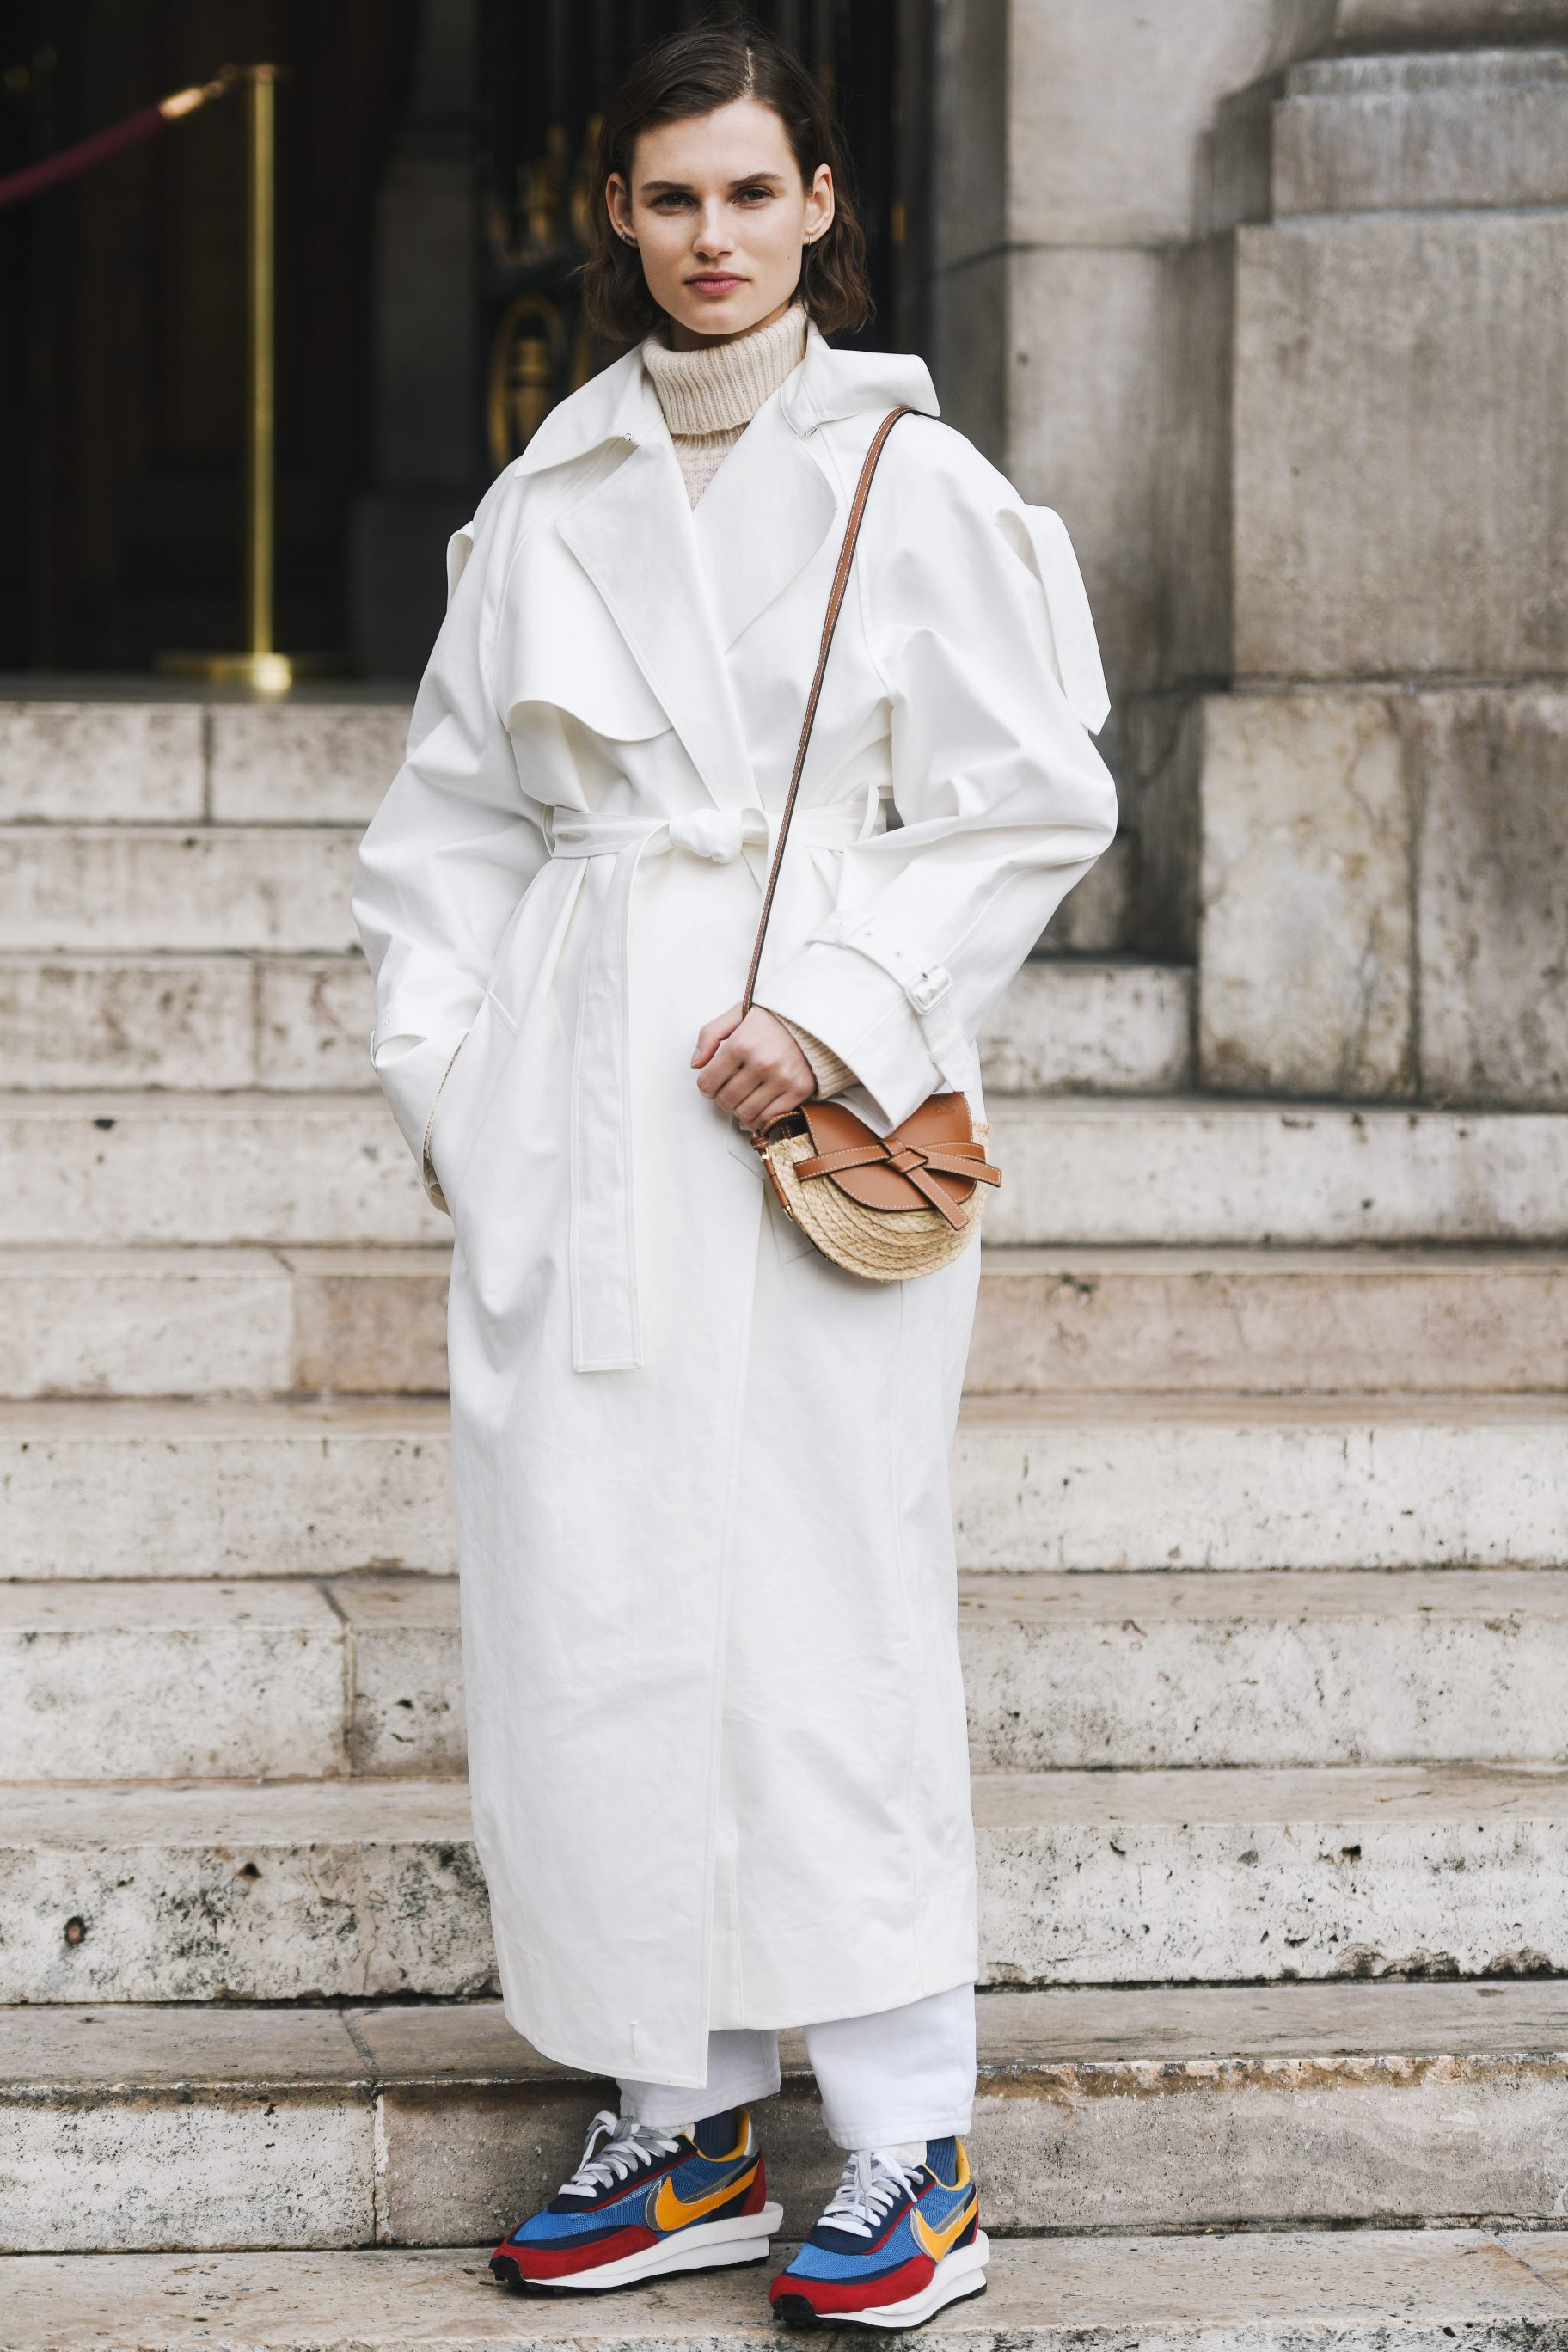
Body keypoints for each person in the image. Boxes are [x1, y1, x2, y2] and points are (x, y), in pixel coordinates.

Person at [353, 17, 1116, 2331]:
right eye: (669, 196)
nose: (709, 237)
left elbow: (1026, 798)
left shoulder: (916, 482)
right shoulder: (547, 499)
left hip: (796, 1110)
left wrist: (850, 1011)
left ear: (820, 208)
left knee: (820, 1608)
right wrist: (459, 1092)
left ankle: (910, 2150)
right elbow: (445, 837)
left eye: (748, 194)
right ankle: (672, 2123)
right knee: (585, 1609)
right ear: (619, 212)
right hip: (582, 1105)